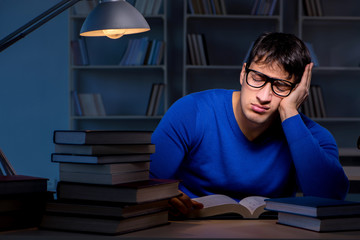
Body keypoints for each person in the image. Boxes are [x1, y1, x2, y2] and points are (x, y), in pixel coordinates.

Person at [150, 32, 349, 217]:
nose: (263, 96)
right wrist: (163, 197)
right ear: (243, 73)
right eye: (257, 78)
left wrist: (290, 113)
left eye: (281, 86)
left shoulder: (312, 136)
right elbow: (143, 183)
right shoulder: (191, 111)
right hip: (189, 226)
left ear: (299, 93)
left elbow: (329, 200)